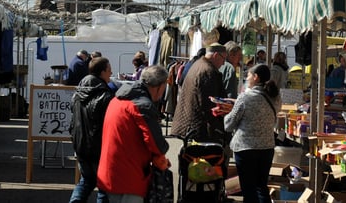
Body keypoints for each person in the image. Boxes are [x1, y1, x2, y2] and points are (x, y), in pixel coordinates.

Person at [97, 65, 170, 203]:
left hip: (110, 170)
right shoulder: (142, 105)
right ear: (160, 86)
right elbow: (157, 145)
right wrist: (161, 154)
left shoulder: (118, 99)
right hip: (128, 175)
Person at [224, 64, 281, 203]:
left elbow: (228, 124)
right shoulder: (275, 96)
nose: (247, 78)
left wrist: (227, 113)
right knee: (261, 187)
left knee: (249, 190)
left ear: (255, 77)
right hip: (267, 147)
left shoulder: (245, 97)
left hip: (246, 148)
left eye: (248, 75)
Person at [69, 57, 115, 203]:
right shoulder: (105, 95)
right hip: (98, 147)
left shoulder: (77, 94)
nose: (111, 72)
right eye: (109, 70)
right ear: (102, 72)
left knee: (87, 180)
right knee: (104, 185)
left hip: (80, 144)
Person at [171, 43, 227, 143]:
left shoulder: (198, 64)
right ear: (216, 55)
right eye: (223, 59)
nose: (223, 63)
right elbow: (208, 104)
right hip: (198, 127)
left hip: (189, 123)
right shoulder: (208, 71)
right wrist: (217, 130)